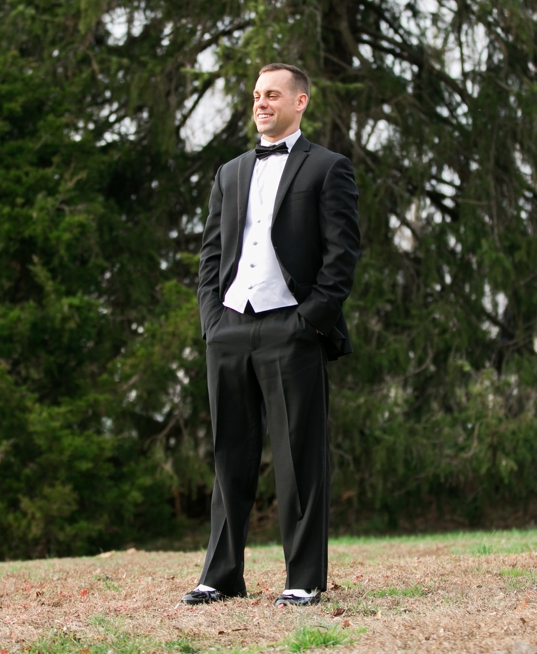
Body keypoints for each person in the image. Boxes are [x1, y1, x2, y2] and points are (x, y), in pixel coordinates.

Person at [184, 63, 360, 606]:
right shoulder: (230, 172)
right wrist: (213, 321)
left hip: (292, 328)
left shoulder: (329, 167)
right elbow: (212, 255)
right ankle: (221, 575)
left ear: (300, 102)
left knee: (297, 457)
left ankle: (302, 579)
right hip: (231, 326)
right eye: (257, 95)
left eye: (273, 95)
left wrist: (308, 322)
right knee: (229, 456)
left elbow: (342, 256)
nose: (261, 103)